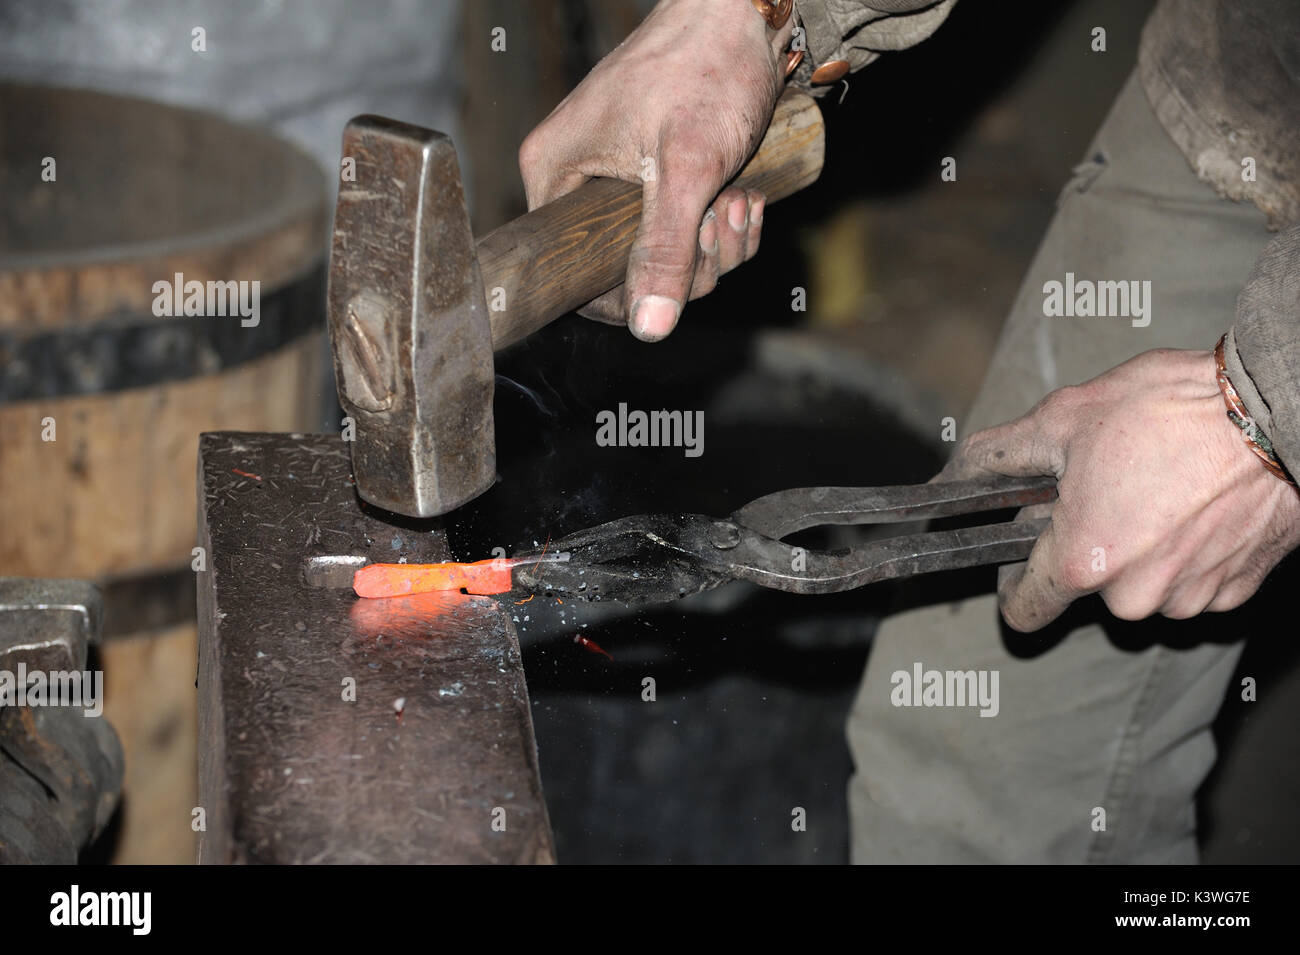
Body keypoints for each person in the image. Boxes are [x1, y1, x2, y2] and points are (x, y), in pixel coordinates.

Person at [519, 0, 1300, 862]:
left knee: (1038, 793)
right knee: (962, 762)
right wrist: (749, 20)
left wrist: (1260, 422)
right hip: (1248, 67)